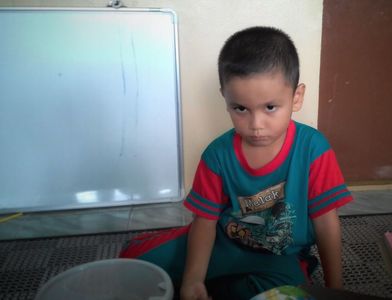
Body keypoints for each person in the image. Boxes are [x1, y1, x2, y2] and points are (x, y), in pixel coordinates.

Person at [120, 26, 353, 300]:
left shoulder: (314, 149)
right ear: (226, 98)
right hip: (225, 242)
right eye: (240, 108)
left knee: (289, 293)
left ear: (296, 97)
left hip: (280, 256)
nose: (255, 125)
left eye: (270, 107)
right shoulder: (217, 155)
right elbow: (205, 221)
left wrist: (335, 289)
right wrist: (193, 279)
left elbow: (326, 221)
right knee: (131, 265)